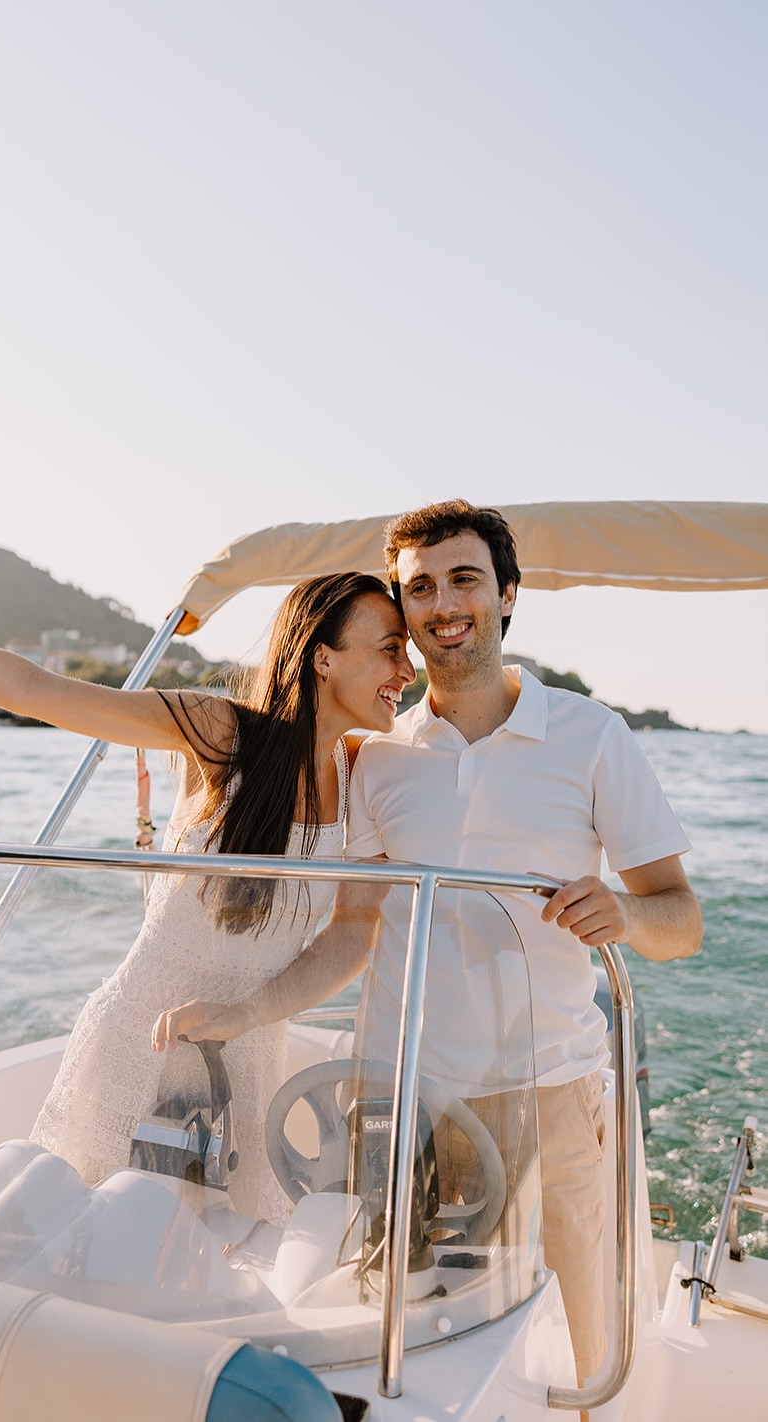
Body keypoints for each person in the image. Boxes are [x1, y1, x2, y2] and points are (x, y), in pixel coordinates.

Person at [155, 499, 702, 1384]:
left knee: (582, 1346)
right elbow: (351, 933)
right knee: (401, 1342)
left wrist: (629, 917)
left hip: (546, 1092)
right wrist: (241, 1013)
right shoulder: (377, 755)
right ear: (404, 611)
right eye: (419, 588)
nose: (443, 604)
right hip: (396, 1097)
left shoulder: (591, 736)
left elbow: (681, 919)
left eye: (463, 580)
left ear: (507, 595)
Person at [0, 569, 415, 1220]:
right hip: (138, 1045)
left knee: (217, 1258)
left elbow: (352, 934)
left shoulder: (364, 778)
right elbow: (33, 688)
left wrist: (245, 1014)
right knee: (90, 1243)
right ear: (323, 657)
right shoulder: (223, 734)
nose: (407, 670)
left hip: (253, 1053)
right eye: (390, 648)